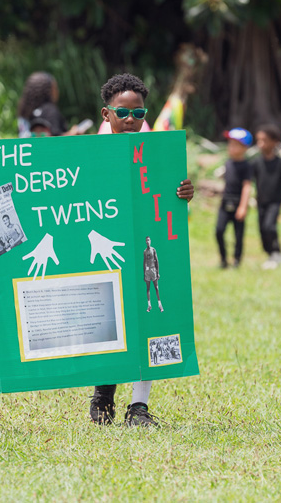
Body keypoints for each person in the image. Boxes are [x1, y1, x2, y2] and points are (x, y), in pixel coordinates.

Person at [89, 73, 194, 428]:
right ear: (106, 114)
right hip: (106, 253)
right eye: (124, 113)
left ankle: (139, 406)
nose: (132, 120)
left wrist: (183, 194)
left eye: (139, 114)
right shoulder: (90, 155)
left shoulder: (157, 152)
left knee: (147, 321)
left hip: (145, 250)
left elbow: (168, 196)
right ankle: (103, 393)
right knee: (108, 321)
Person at [251, 125, 281, 269]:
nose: (261, 144)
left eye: (264, 140)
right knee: (262, 228)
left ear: (274, 142)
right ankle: (270, 253)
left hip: (275, 200)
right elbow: (248, 182)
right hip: (261, 201)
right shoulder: (256, 163)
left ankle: (276, 252)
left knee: (269, 226)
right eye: (258, 140)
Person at [215, 128, 253, 269]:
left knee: (238, 235)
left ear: (245, 148)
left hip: (239, 203)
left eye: (235, 144)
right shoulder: (227, 163)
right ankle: (223, 259)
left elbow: (247, 186)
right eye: (230, 143)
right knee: (219, 231)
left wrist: (243, 206)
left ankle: (237, 260)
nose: (231, 146)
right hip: (225, 202)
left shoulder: (246, 166)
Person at [17, 72, 79, 137]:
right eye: (55, 88)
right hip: (45, 146)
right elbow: (55, 139)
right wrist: (72, 134)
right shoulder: (50, 110)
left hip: (25, 146)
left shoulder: (24, 112)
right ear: (49, 90)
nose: (58, 91)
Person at [143, 236, 163, 312]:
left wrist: (157, 272)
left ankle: (160, 305)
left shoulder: (153, 250)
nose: (147, 241)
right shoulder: (144, 251)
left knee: (156, 288)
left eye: (148, 240)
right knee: (148, 288)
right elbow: (144, 262)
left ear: (150, 241)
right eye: (146, 240)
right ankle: (149, 305)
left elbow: (157, 261)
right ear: (145, 242)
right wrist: (144, 273)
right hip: (147, 272)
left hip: (153, 270)